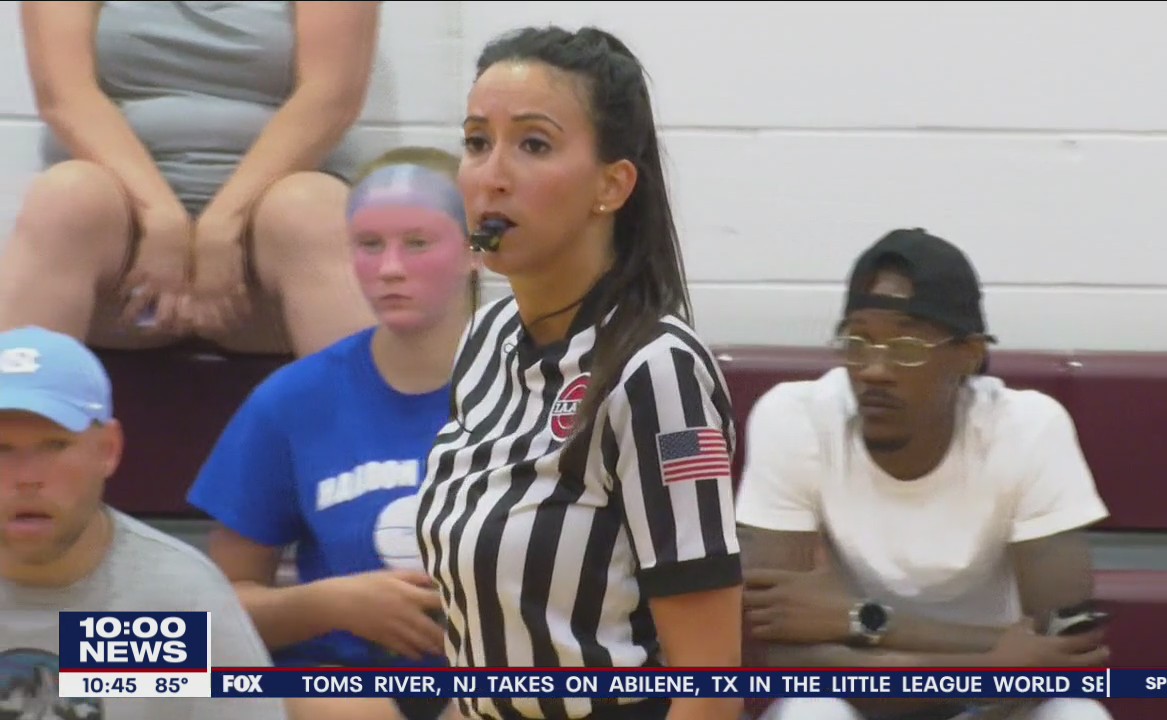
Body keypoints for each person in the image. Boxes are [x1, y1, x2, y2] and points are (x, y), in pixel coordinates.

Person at [414, 25, 743, 720]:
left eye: (533, 144)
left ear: (611, 185)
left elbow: (711, 683)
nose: (492, 174)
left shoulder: (660, 373)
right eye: (477, 142)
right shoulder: (483, 340)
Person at [735, 228, 1114, 720]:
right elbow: (783, 655)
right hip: (864, 705)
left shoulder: (1028, 427)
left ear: (969, 356)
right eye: (857, 342)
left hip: (993, 705)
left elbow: (1064, 654)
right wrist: (987, 656)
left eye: (906, 348)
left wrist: (858, 622)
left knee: (1077, 715)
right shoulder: (795, 417)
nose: (873, 369)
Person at [186, 147, 476, 720]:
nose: (391, 267)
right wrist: (332, 604)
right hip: (348, 691)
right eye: (369, 246)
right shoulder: (293, 401)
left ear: (475, 251)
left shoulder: (547, 391)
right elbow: (219, 614)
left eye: (417, 243)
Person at [0, 1, 381, 357]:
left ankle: (373, 425)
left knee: (311, 209)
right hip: (125, 259)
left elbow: (331, 97)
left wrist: (224, 223)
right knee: (66, 197)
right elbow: (64, 96)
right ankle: (18, 419)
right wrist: (159, 215)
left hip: (263, 261)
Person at [0, 325, 287, 720]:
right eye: (1, 449)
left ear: (108, 450)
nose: (26, 477)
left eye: (54, 445)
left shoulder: (177, 601)